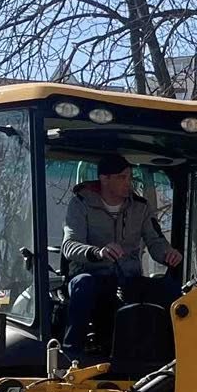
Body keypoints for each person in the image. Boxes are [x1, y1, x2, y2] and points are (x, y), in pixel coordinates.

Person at [60, 152, 184, 360]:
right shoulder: (80, 204)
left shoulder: (141, 207)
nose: (128, 182)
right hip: (91, 274)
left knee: (171, 291)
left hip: (128, 278)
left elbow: (155, 242)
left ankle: (176, 356)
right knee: (84, 286)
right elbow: (70, 246)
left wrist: (168, 254)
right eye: (122, 177)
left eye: (129, 177)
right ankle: (71, 354)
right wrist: (97, 252)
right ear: (104, 179)